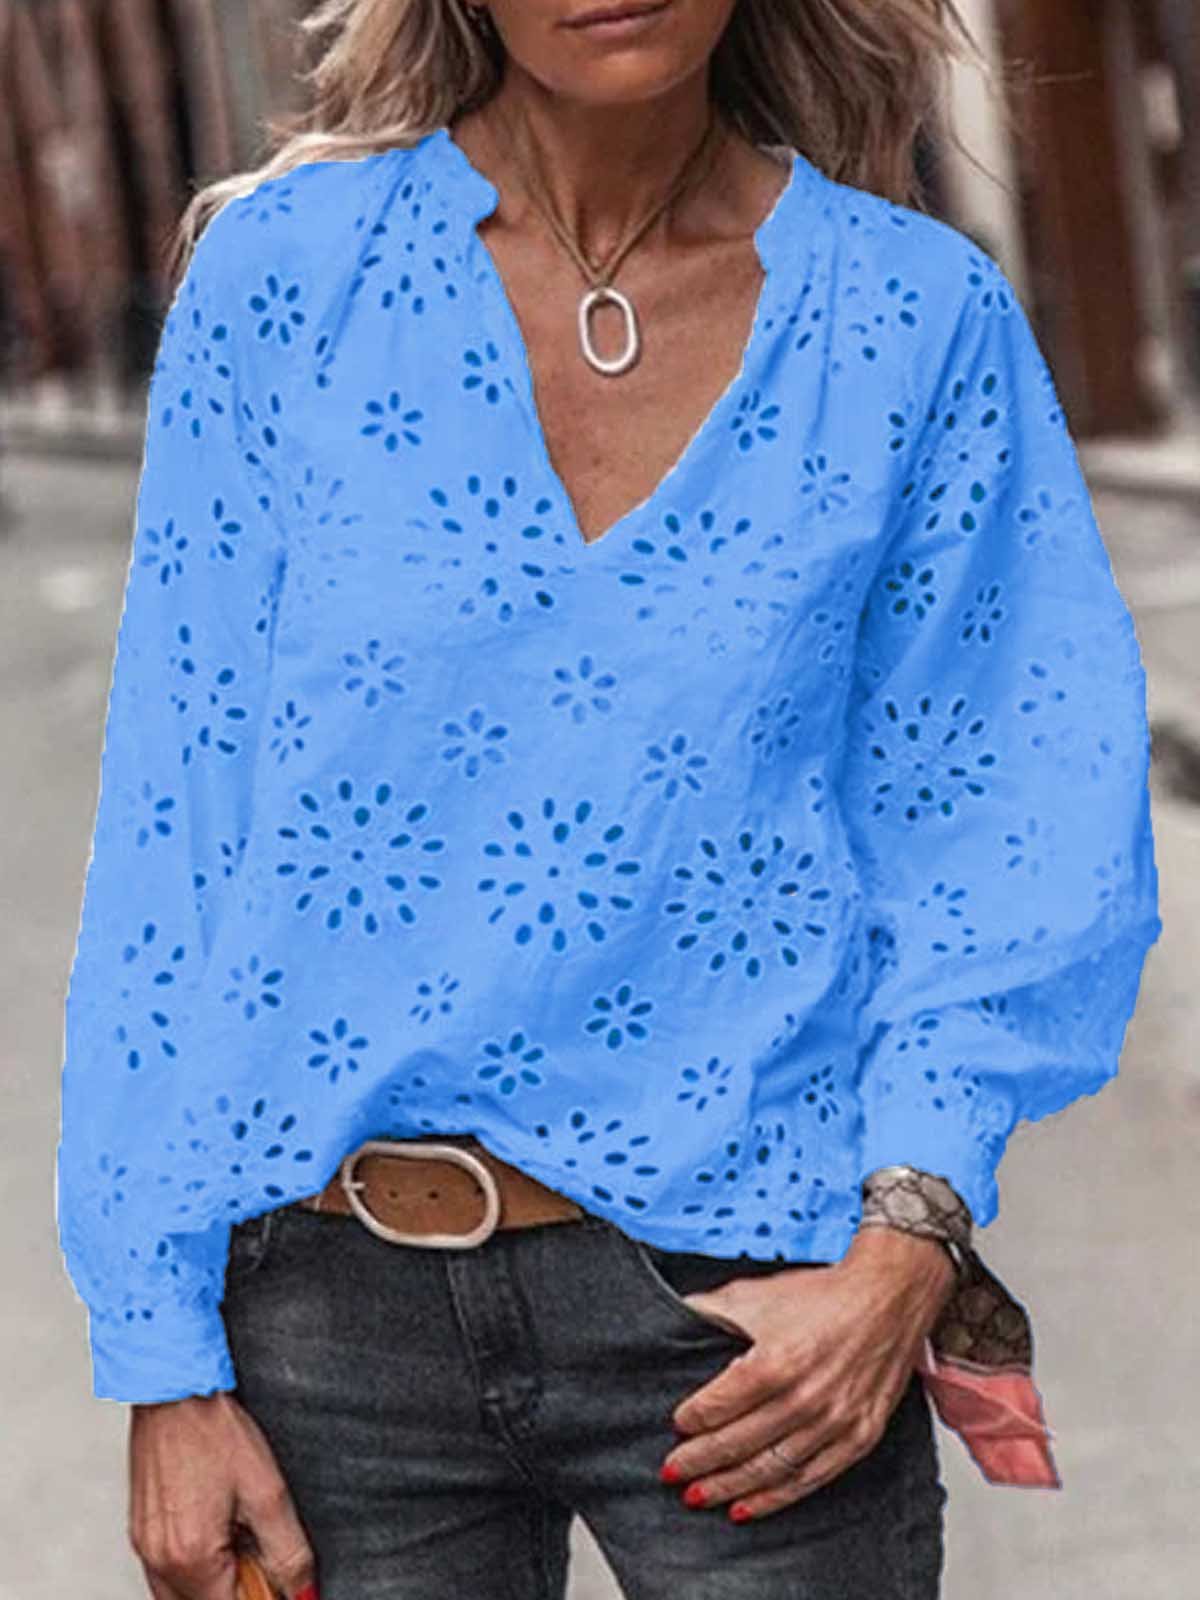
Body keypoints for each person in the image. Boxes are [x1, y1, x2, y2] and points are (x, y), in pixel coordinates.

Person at [55, 2, 1162, 1597]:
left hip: (758, 1331)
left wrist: (905, 1252)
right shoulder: (287, 283)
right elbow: (177, 839)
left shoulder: (912, 321)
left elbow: (1004, 820)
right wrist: (162, 1356)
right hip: (331, 1338)